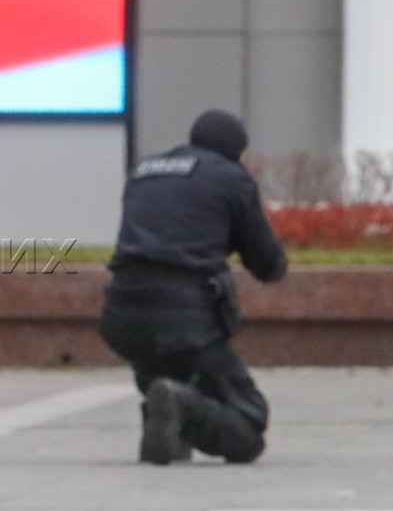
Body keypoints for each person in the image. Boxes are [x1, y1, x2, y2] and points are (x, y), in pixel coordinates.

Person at [99, 109, 288, 465]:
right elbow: (264, 261)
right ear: (236, 151)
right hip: (185, 319)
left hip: (122, 317)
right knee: (249, 423)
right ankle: (182, 408)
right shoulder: (231, 178)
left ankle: (166, 421)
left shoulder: (143, 171)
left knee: (164, 371)